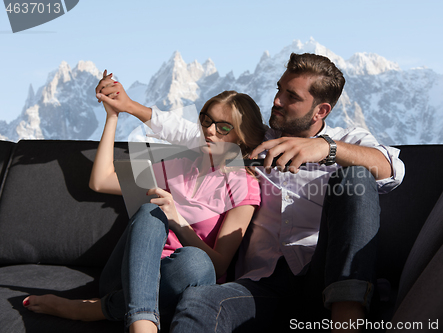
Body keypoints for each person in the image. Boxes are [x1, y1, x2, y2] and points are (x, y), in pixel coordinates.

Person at [93, 52, 405, 332]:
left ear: (320, 110)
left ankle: (347, 319)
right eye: (278, 89)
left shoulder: (345, 140)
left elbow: (392, 168)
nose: (277, 101)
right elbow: (197, 132)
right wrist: (129, 106)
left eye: (290, 96)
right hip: (260, 286)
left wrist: (324, 148)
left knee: (355, 178)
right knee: (200, 301)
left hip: (321, 280)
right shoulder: (254, 143)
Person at [22, 88, 267, 333]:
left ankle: (93, 310)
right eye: (206, 120)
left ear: (242, 138)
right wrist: (112, 117)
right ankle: (141, 325)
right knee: (150, 213)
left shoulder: (244, 186)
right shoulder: (180, 166)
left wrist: (178, 221)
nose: (209, 131)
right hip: (128, 276)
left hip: (180, 283)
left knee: (196, 262)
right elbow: (101, 180)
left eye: (223, 128)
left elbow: (220, 266)